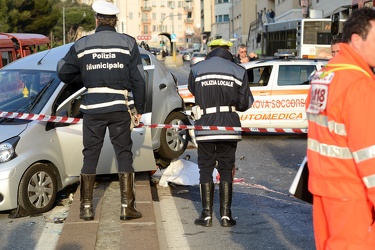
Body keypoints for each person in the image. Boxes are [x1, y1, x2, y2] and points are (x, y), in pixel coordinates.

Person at [56, 1, 145, 221]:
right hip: (118, 107)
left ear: (96, 20)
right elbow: (139, 79)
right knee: (124, 154)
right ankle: (127, 208)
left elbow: (63, 72)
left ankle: (86, 208)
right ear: (115, 21)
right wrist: (140, 108)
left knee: (90, 156)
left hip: (92, 108)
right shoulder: (128, 43)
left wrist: (86, 79)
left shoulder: (82, 44)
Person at [305, 7, 375, 249]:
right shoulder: (359, 84)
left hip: (324, 187)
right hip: (352, 192)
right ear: (357, 39)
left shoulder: (323, 76)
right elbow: (369, 152)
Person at [188, 38, 253, 227]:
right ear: (227, 50)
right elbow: (243, 104)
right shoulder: (239, 70)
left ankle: (206, 215)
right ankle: (226, 216)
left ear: (210, 50)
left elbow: (194, 91)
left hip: (205, 125)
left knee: (205, 167)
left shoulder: (197, 69)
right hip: (229, 126)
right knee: (226, 168)